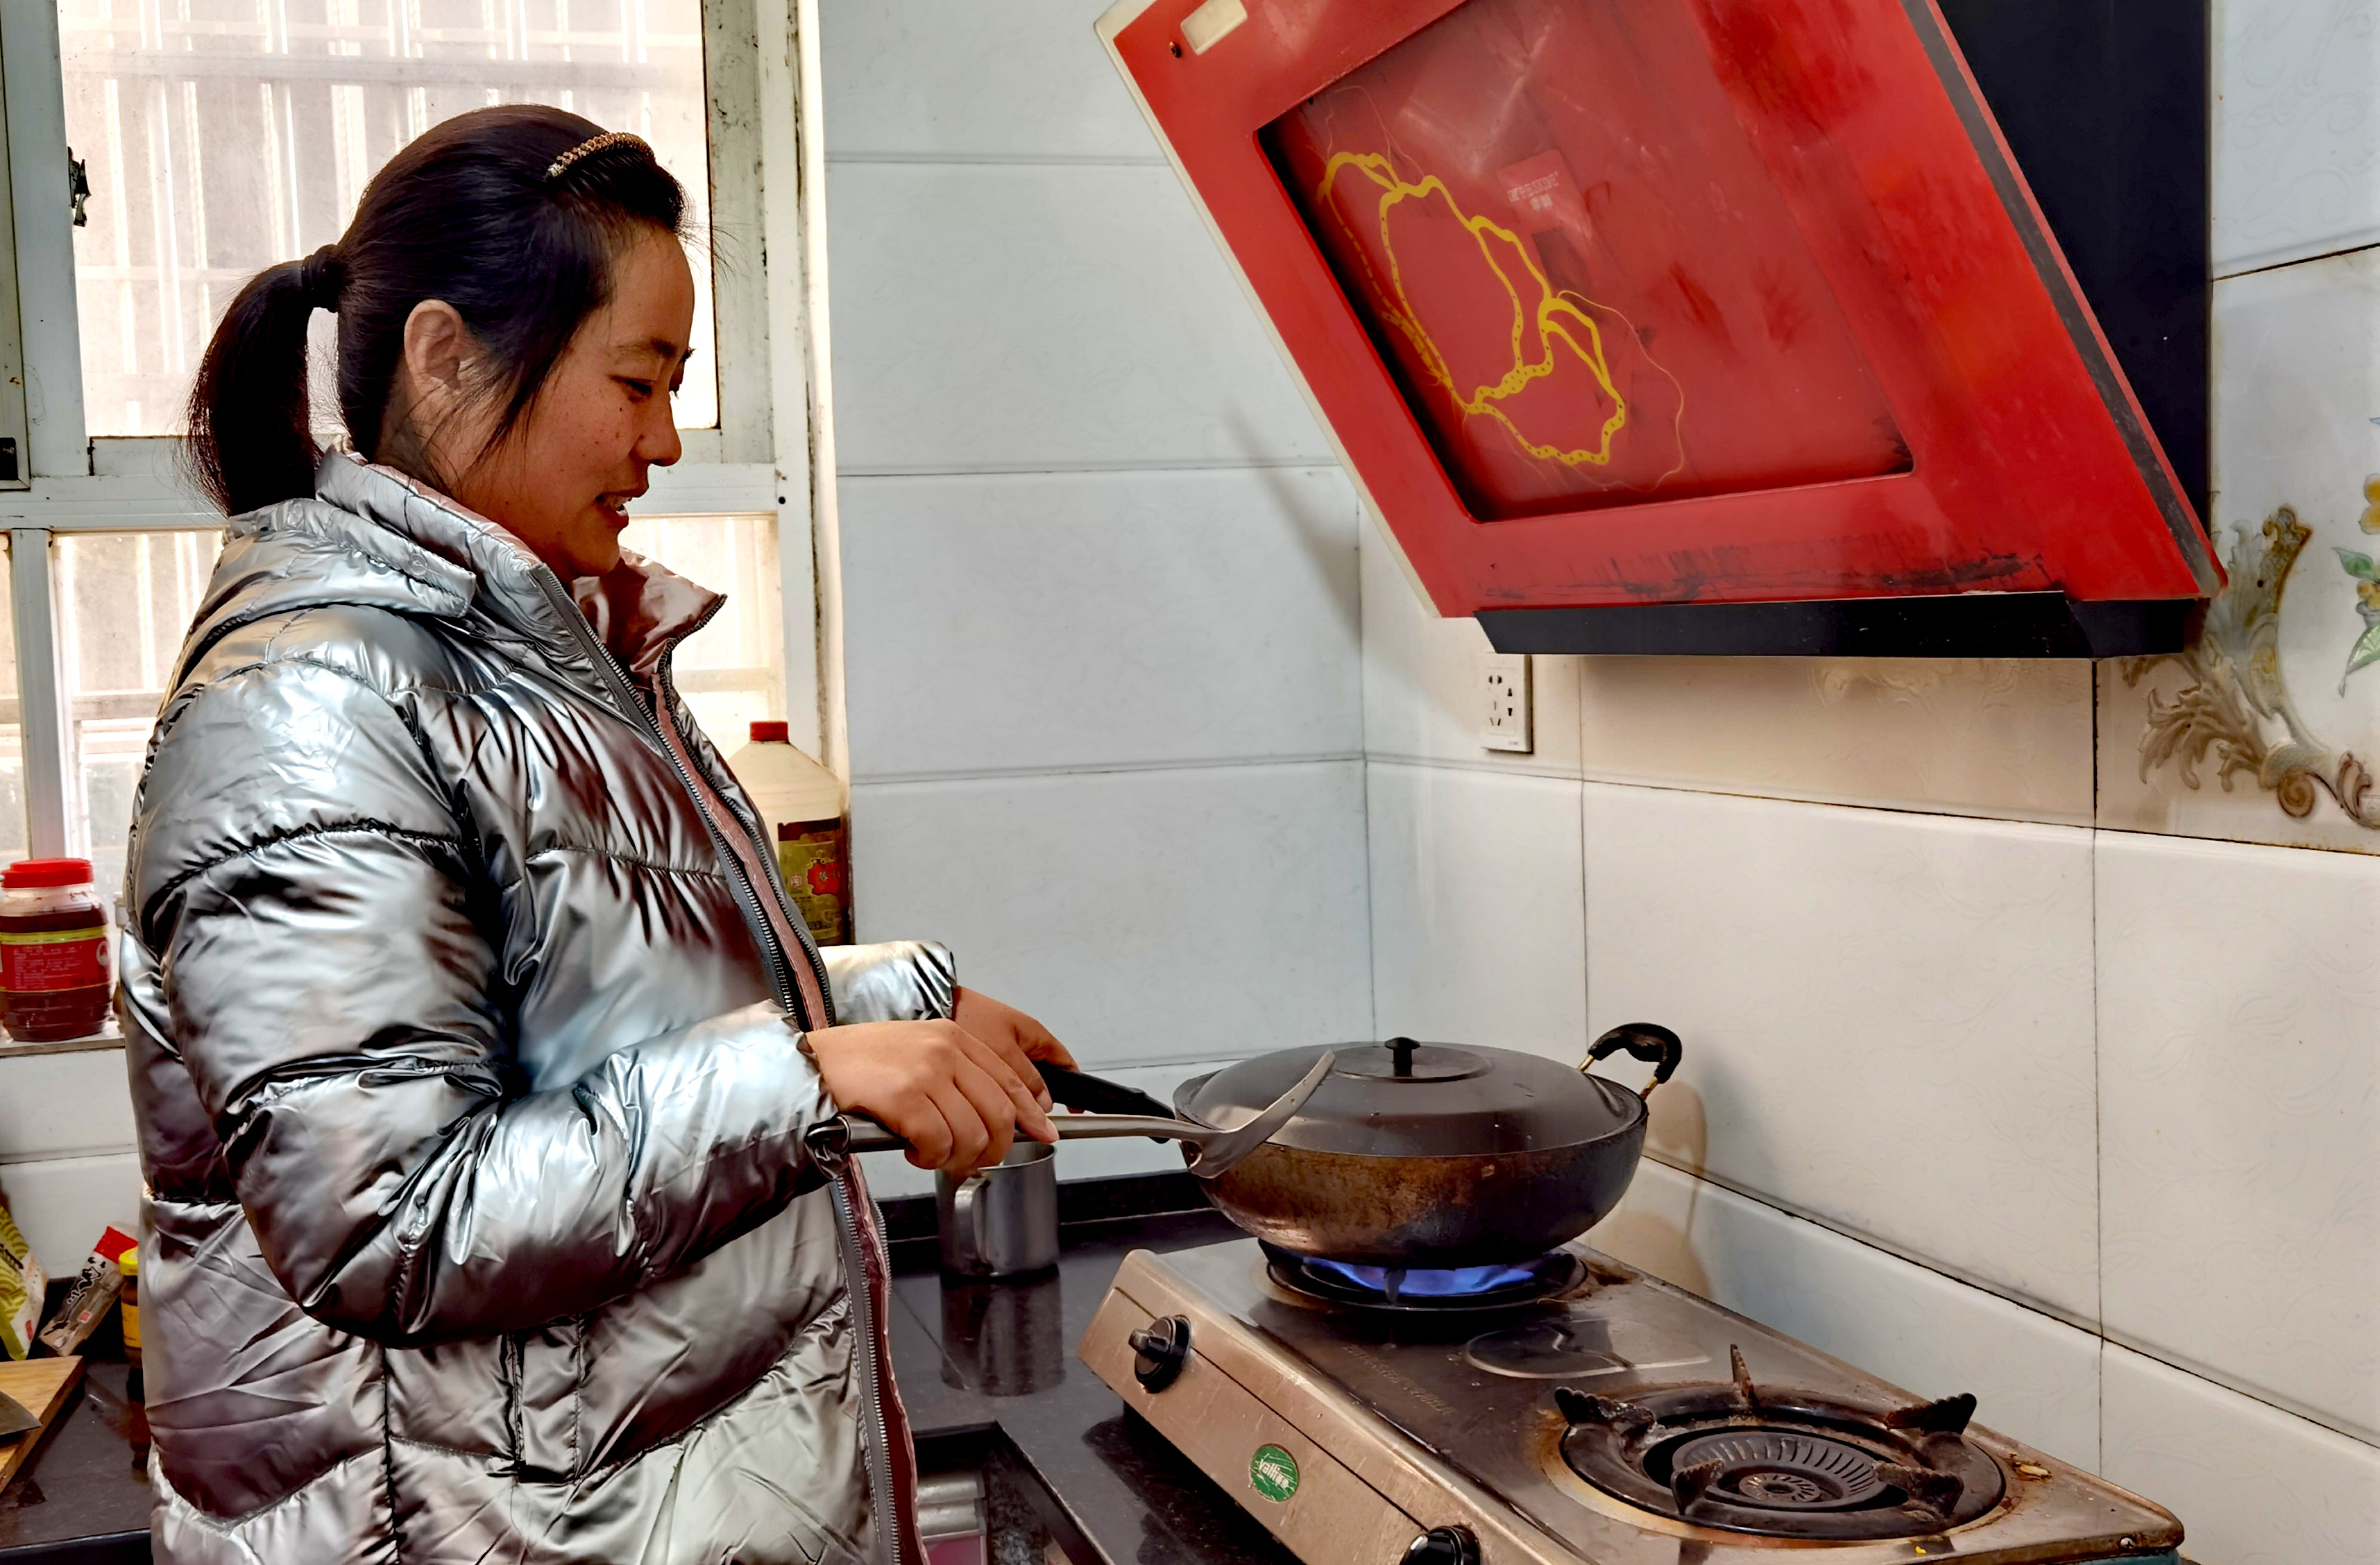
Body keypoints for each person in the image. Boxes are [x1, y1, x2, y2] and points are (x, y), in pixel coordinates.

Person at [117, 105, 1069, 1565]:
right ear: (443, 361)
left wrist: (895, 1011)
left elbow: (578, 1031)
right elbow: (393, 1219)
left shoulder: (540, 661)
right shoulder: (310, 703)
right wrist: (810, 1075)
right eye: (637, 379)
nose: (665, 439)